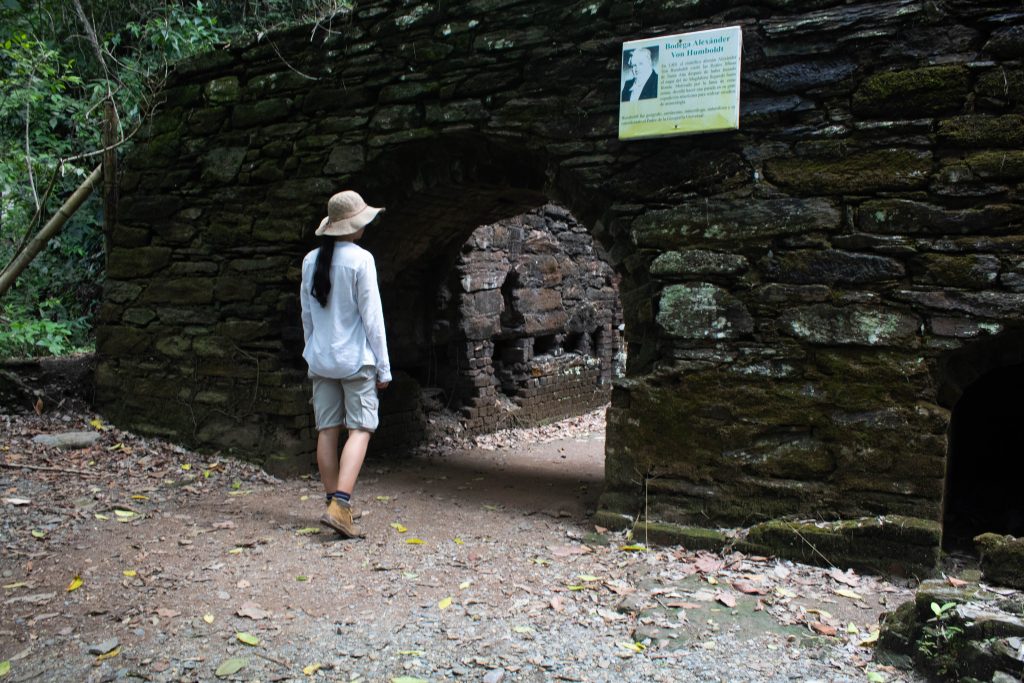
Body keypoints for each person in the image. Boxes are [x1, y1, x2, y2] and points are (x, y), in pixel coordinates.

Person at [300, 190, 391, 539]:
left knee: (327, 430)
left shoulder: (310, 261)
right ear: (354, 225)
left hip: (321, 360)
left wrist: (313, 351)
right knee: (361, 429)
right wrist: (384, 368)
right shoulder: (361, 260)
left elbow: (306, 316)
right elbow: (373, 319)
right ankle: (340, 505)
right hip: (355, 361)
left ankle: (331, 505)